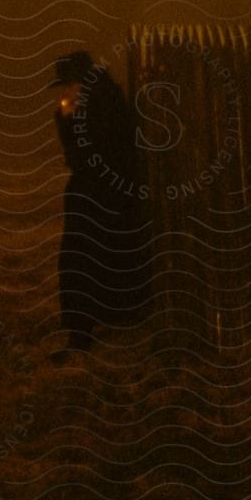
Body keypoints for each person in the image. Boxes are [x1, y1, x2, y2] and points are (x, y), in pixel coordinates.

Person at [51, 50, 150, 354]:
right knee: (92, 261)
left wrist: (70, 121)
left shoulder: (101, 106)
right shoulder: (98, 101)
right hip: (103, 196)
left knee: (85, 261)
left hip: (102, 197)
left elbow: (87, 156)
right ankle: (88, 326)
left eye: (70, 84)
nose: (66, 92)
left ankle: (82, 332)